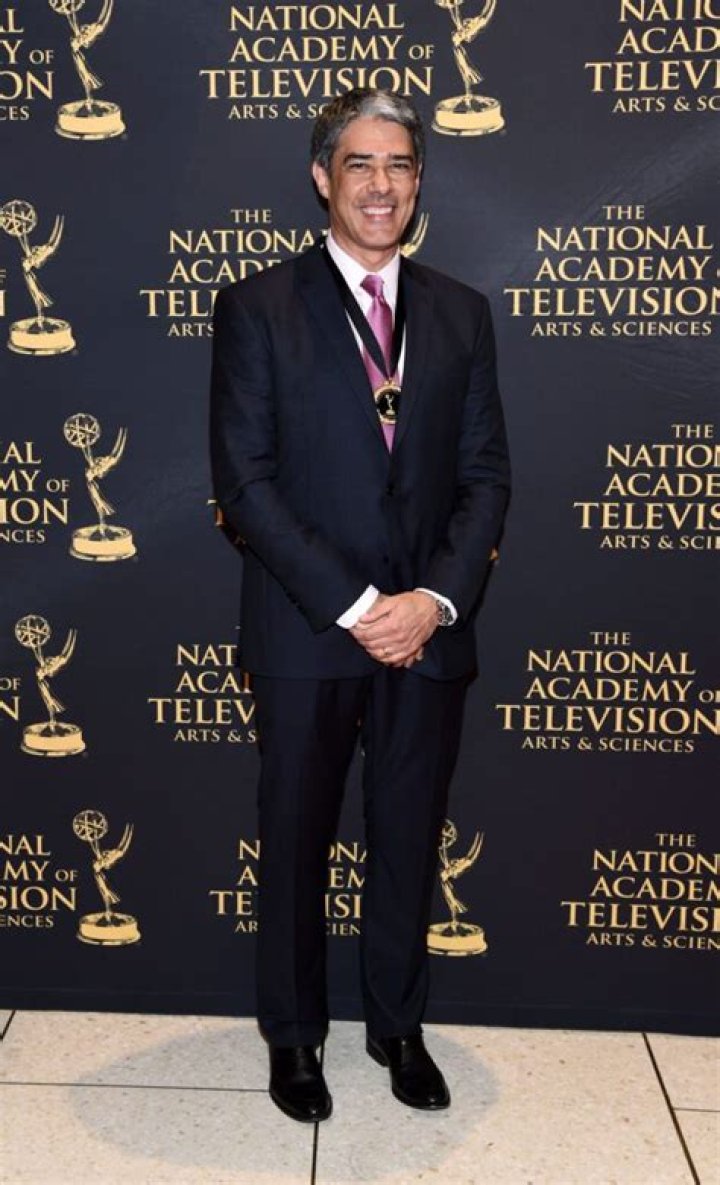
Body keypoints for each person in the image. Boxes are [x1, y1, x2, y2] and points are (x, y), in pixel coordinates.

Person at [210, 88, 510, 1124]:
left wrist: (431, 599)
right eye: (360, 164)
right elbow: (245, 483)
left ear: (419, 181)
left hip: (427, 633)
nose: (381, 186)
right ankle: (295, 1038)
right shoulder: (258, 307)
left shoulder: (463, 312)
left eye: (400, 165)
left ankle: (397, 1025)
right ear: (321, 176)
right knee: (295, 837)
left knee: (410, 834)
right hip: (307, 630)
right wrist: (358, 603)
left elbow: (486, 477)